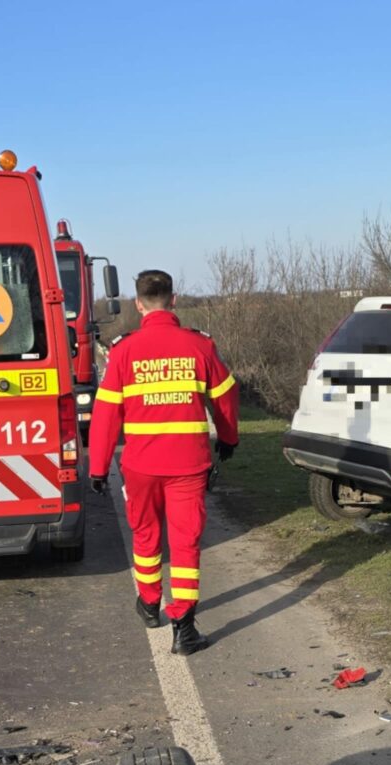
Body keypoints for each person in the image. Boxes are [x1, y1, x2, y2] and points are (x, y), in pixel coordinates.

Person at [88, 270, 239, 655]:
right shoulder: (200, 346)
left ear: (138, 305)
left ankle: (149, 603)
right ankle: (184, 629)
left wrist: (98, 467)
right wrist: (228, 438)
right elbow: (225, 397)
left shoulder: (123, 351)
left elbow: (106, 415)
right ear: (173, 300)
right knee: (185, 544)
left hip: (141, 466)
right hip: (188, 465)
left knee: (145, 536)